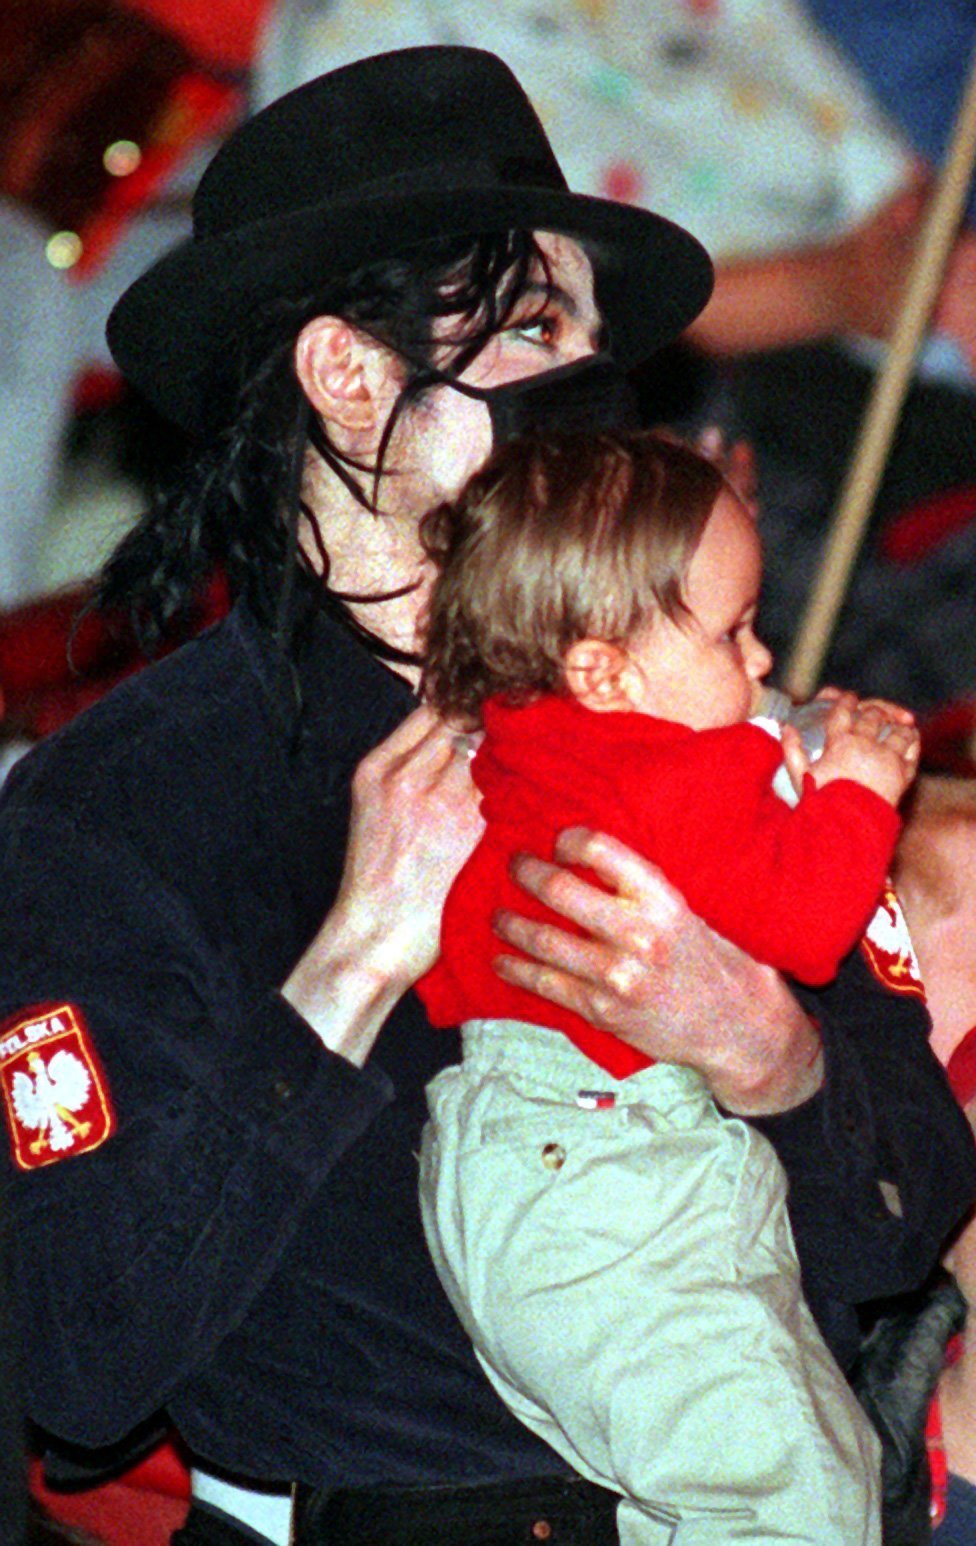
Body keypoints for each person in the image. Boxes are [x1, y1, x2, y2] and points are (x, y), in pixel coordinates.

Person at [0, 46, 973, 1546]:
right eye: (529, 325)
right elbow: (77, 1359)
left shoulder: (715, 703)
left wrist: (765, 1048)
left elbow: (909, 1212)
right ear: (346, 374)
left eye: (593, 340)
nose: (588, 390)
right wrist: (345, 969)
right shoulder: (120, 812)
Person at [414, 429, 920, 1542]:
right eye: (733, 631)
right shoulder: (672, 765)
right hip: (617, 1172)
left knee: (696, 1487)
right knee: (794, 1488)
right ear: (603, 671)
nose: (759, 661)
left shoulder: (529, 745)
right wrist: (858, 792)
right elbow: (803, 923)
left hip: (505, 1177)